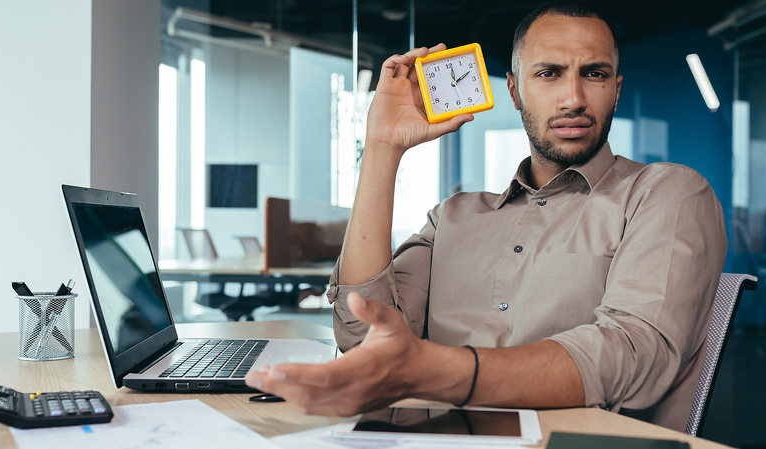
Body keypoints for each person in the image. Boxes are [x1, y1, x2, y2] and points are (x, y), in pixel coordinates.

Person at [246, 1, 727, 432]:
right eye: (549, 73)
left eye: (595, 74)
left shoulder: (667, 194)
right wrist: (381, 148)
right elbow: (363, 337)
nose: (574, 98)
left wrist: (433, 370)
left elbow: (633, 355)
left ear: (616, 90)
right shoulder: (452, 217)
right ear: (514, 91)